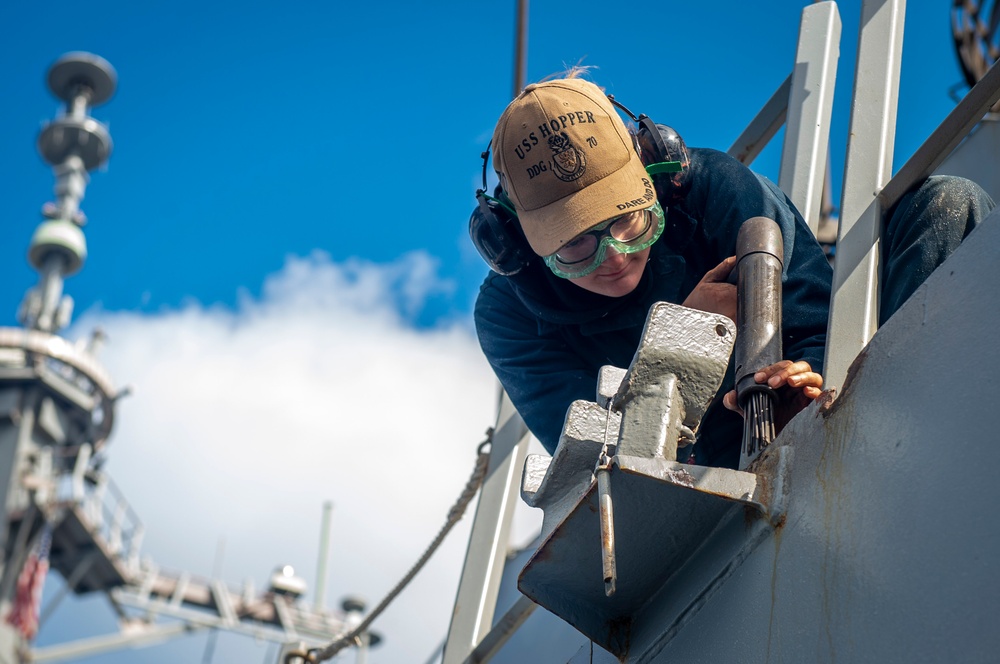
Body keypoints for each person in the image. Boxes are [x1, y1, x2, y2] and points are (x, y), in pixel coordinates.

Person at [471, 72, 994, 470]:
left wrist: (808, 386)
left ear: (655, 172)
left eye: (627, 221)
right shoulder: (507, 313)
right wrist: (683, 342)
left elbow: (815, 324)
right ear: (517, 242)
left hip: (828, 404)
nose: (612, 255)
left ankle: (933, 433)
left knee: (947, 204)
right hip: (694, 473)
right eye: (576, 245)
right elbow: (596, 467)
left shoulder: (713, 187)